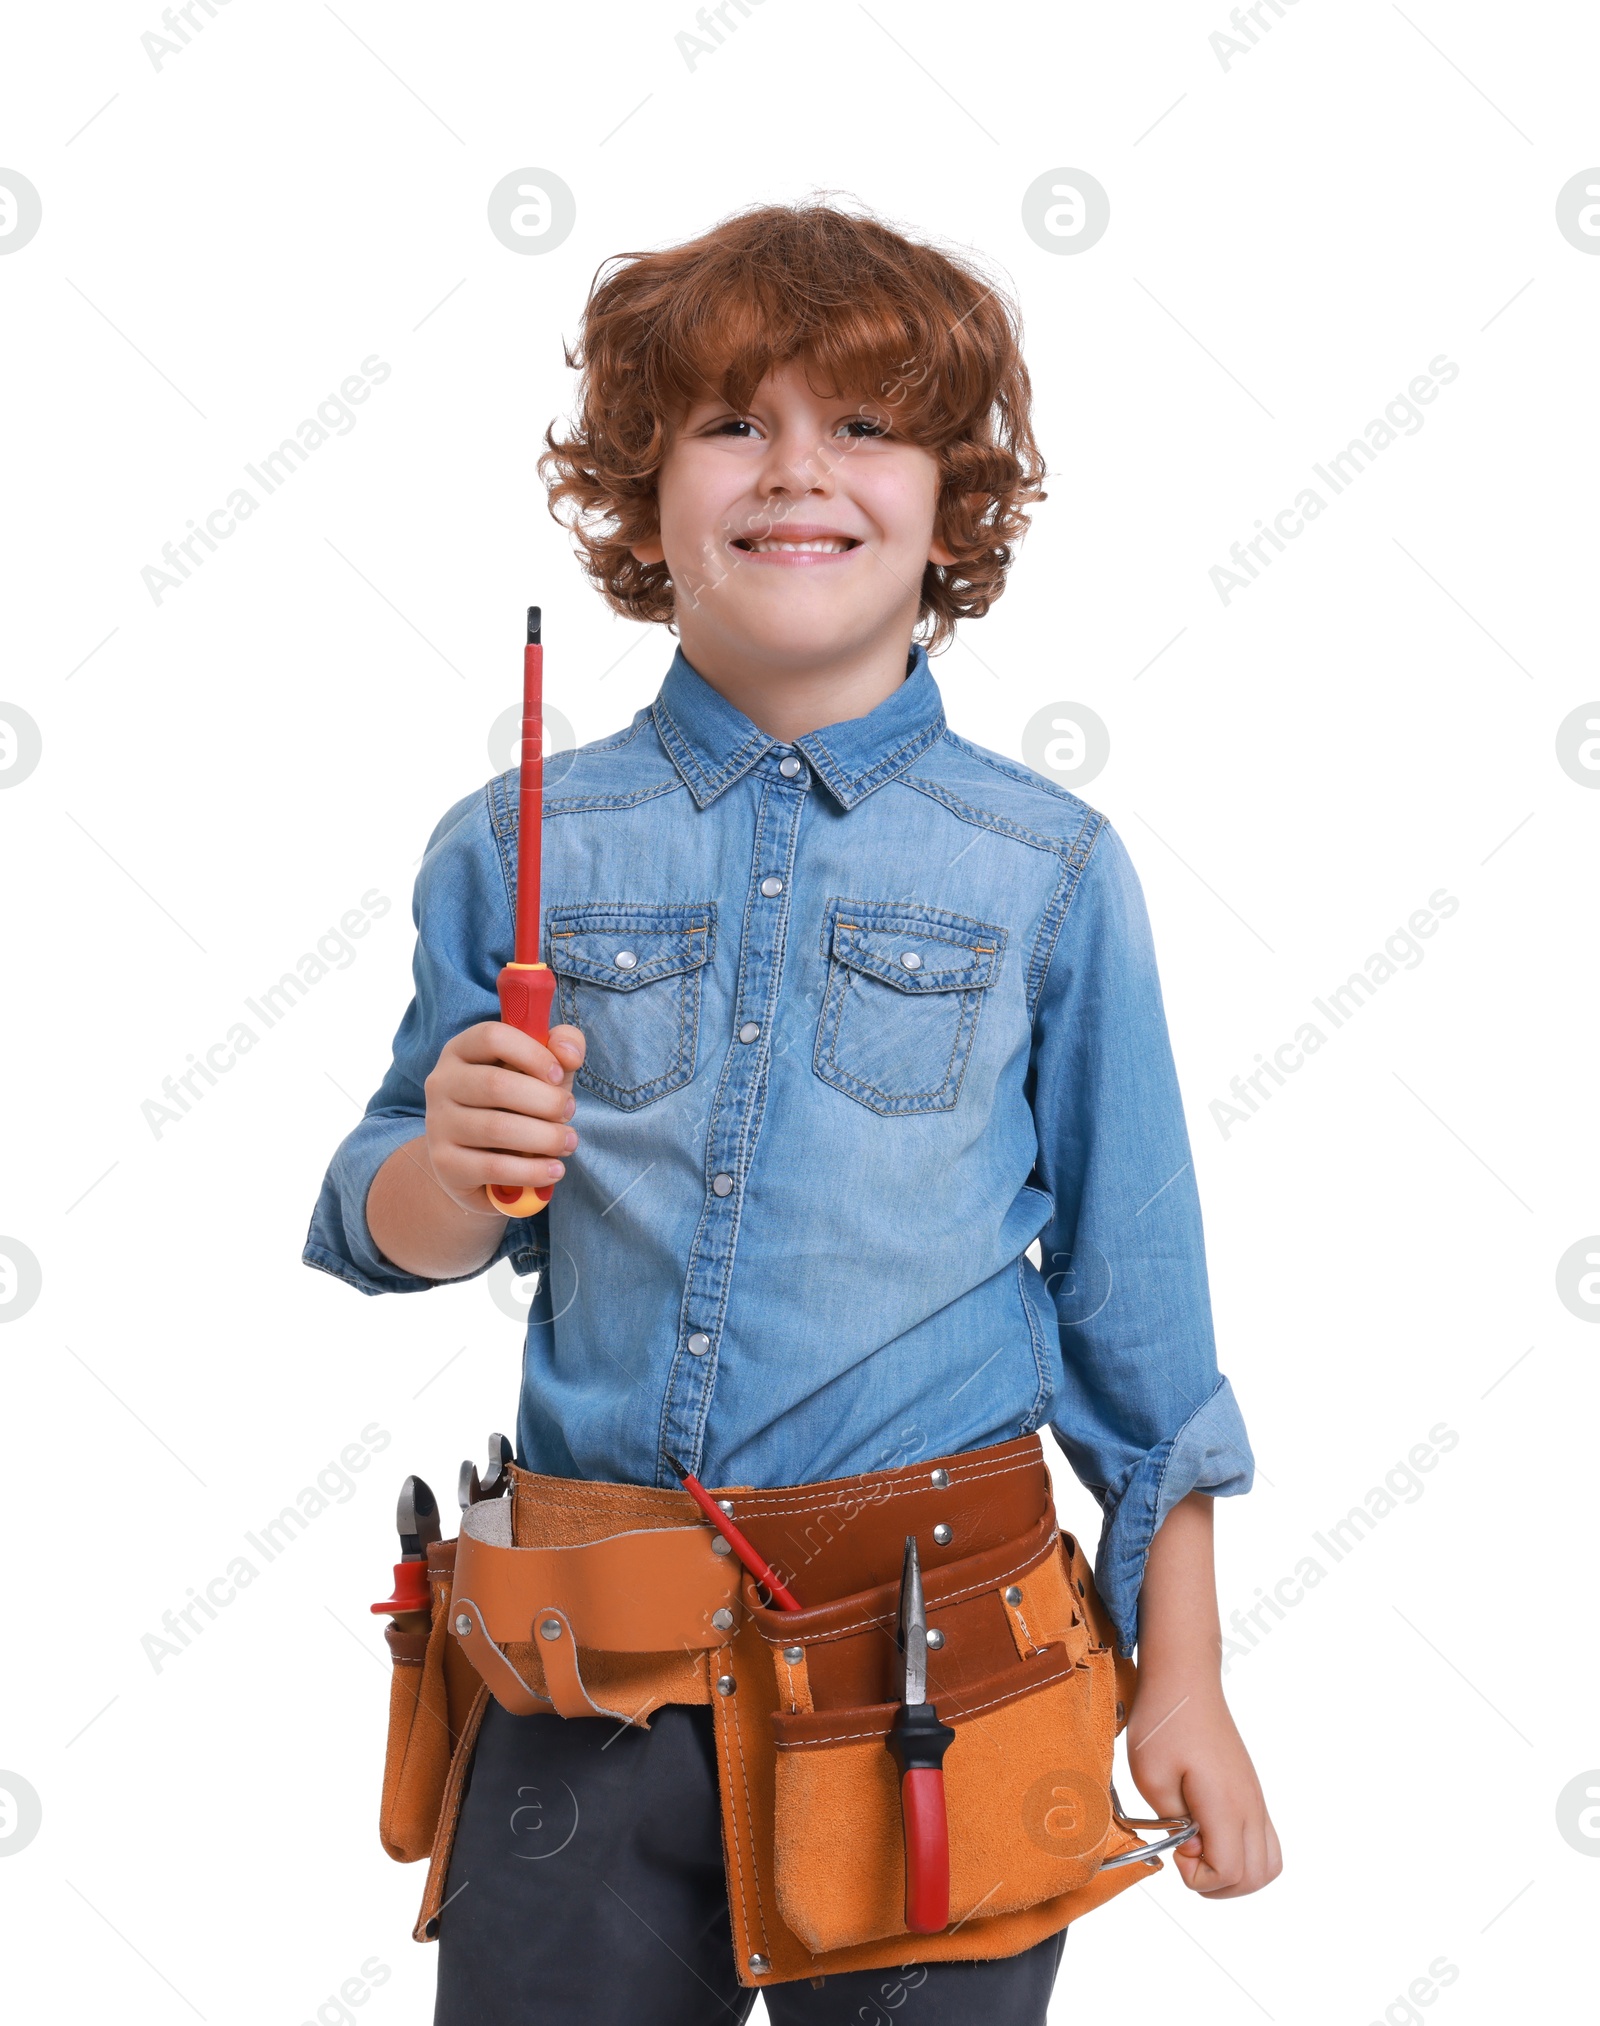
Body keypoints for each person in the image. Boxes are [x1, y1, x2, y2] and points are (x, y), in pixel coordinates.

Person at [304, 198, 1280, 2026]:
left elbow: (1141, 1334)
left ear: (954, 502)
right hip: (586, 1676)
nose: (795, 473)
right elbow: (379, 1219)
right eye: (734, 422)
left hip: (943, 1694)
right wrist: (444, 1165)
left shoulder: (1050, 872)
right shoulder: (516, 846)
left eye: (867, 425)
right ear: (645, 489)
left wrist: (1185, 1675)